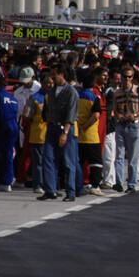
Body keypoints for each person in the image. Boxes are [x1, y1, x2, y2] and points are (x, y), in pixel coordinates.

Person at [39, 63, 80, 201]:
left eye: (54, 74)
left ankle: (71, 192)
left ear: (62, 75)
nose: (52, 78)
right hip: (52, 127)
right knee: (48, 158)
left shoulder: (71, 92)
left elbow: (71, 114)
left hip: (65, 128)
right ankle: (50, 190)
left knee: (68, 161)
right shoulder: (51, 92)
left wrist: (65, 133)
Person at [110, 64, 139, 194]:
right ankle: (119, 183)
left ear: (133, 77)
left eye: (129, 77)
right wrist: (118, 115)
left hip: (134, 125)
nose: (127, 79)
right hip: (121, 125)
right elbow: (115, 109)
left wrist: (135, 115)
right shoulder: (117, 93)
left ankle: (132, 184)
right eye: (125, 77)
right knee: (119, 155)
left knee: (133, 157)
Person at [77, 73, 105, 195]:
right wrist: (84, 127)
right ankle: (95, 185)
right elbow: (95, 116)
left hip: (77, 135)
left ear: (82, 83)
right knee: (96, 162)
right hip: (91, 136)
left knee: (78, 161)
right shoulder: (94, 98)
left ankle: (78, 185)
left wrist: (78, 127)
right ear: (94, 85)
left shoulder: (76, 96)